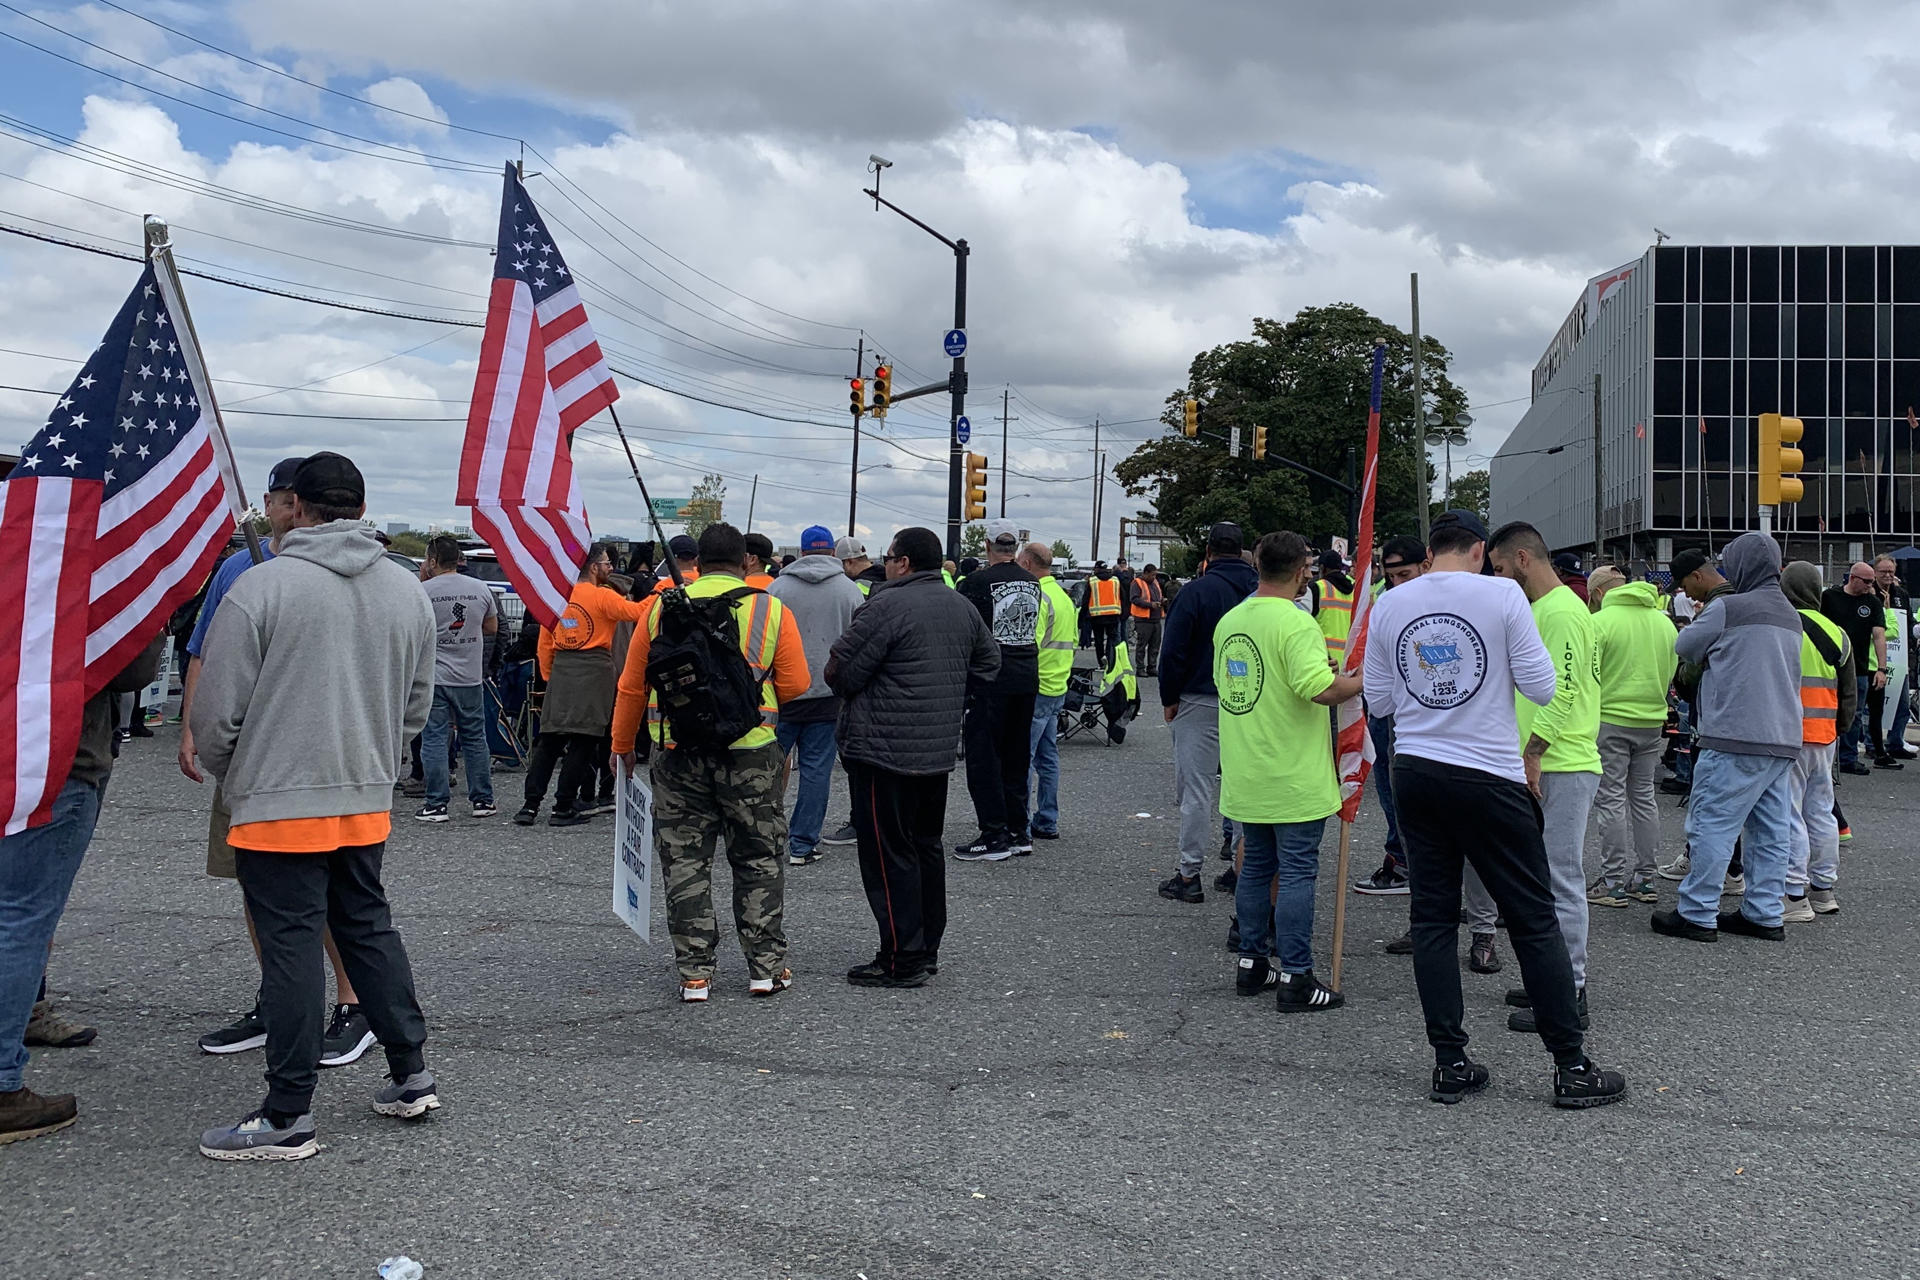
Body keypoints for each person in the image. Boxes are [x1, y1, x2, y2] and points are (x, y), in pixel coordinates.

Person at [192, 452, 440, 1160]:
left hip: (276, 798)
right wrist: (374, 762)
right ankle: (410, 1074)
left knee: (291, 946)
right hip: (363, 795)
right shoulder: (406, 593)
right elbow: (414, 707)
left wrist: (235, 774)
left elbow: (216, 712)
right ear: (362, 509)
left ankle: (287, 1113)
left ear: (295, 506)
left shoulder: (263, 587)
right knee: (366, 926)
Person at [1363, 509, 1625, 1109]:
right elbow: (1542, 686)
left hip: (1417, 769)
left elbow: (1378, 697)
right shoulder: (1504, 595)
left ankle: (1450, 1062)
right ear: (1480, 550)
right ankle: (1570, 1065)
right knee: (1533, 918)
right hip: (1488, 772)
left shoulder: (1391, 604)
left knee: (1432, 918)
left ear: (1432, 553)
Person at [184, 460, 375, 1066]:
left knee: (330, 892)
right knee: (255, 883)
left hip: (317, 755)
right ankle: (279, 1001)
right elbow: (202, 651)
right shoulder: (240, 570)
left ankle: (353, 1003)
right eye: (277, 499)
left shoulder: (347, 573)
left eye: (293, 500)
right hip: (247, 757)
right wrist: (196, 731)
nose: (284, 510)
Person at [612, 524, 809, 1002]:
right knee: (758, 857)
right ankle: (765, 968)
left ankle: (694, 974)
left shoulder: (661, 606)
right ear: (746, 562)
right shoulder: (770, 609)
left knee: (685, 861)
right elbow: (798, 684)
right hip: (751, 754)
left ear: (697, 561)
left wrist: (622, 746)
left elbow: (633, 685)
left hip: (678, 753)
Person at [0, 629, 162, 1144]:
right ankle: (3, 1085)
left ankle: (25, 1015)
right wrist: (159, 610)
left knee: (17, 918)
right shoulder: (73, 574)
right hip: (55, 757)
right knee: (21, 919)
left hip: (29, 749)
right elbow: (134, 669)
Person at [826, 527, 999, 986]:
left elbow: (841, 670)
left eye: (888, 556)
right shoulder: (960, 605)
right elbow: (989, 664)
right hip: (935, 749)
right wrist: (946, 696)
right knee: (925, 847)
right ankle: (925, 947)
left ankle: (901, 957)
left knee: (887, 853)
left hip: (885, 749)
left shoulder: (886, 605)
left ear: (902, 562)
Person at [1218, 533, 1364, 1010]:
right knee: (1299, 871)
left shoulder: (1232, 620)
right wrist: (1362, 680)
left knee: (1257, 867)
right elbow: (1320, 690)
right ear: (1303, 570)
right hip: (1292, 771)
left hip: (1246, 767)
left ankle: (1252, 962)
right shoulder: (1297, 622)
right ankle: (1297, 977)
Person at [1651, 532, 1803, 944]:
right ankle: (1765, 912)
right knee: (1771, 831)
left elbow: (1685, 644)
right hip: (1784, 736)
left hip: (1734, 736)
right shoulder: (1791, 613)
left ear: (1741, 567)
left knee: (1712, 824)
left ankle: (1698, 912)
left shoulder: (1730, 607)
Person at [1487, 522, 1605, 1035]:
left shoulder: (1557, 612)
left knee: (1560, 877)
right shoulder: (1548, 609)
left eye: (1499, 568)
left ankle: (1568, 989)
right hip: (1553, 759)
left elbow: (1563, 688)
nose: (1498, 578)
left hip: (1561, 761)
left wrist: (1533, 752)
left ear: (1522, 558)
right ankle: (1552, 976)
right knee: (1544, 877)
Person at [1155, 523, 1257, 903]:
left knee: (1196, 790)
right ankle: (1244, 866)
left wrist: (1169, 698)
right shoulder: (1258, 593)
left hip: (1198, 698)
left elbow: (1174, 651)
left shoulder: (1195, 592)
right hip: (1249, 701)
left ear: (1209, 552)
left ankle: (1188, 873)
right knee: (1243, 788)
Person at [518, 543, 652, 827]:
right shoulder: (602, 596)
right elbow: (637, 613)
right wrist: (660, 594)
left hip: (562, 669)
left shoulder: (557, 596)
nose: (610, 568)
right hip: (594, 669)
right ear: (594, 567)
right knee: (583, 740)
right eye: (606, 564)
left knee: (550, 740)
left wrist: (549, 674)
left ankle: (529, 806)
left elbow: (544, 641)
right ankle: (563, 806)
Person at [766, 525, 865, 866]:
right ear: (832, 553)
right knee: (816, 771)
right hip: (827, 694)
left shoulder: (776, 588)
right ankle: (803, 844)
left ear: (804, 551)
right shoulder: (849, 592)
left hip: (780, 694)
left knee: (768, 768)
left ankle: (764, 838)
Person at [1585, 563, 1678, 909]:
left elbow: (1588, 675)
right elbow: (1672, 671)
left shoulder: (1598, 623)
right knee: (1643, 798)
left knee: (1610, 799)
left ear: (1597, 593)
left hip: (1609, 719)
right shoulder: (1663, 622)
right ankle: (1645, 878)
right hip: (1651, 721)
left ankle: (1611, 882)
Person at [954, 519, 1043, 860]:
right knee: (1017, 756)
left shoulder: (976, 583)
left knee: (984, 759)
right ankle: (1019, 830)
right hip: (1026, 676)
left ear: (988, 547)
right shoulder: (1033, 583)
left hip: (990, 680)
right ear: (1016, 549)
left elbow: (966, 633)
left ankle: (993, 834)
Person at [1355, 535, 1426, 904]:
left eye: (1406, 574)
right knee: (1390, 789)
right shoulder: (1384, 600)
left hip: (1418, 712)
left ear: (1425, 567)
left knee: (1409, 795)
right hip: (1387, 708)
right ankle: (1401, 858)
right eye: (1392, 574)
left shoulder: (1435, 602)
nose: (1398, 582)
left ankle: (1407, 863)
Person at [1781, 562, 1854, 923]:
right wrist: (1839, 729)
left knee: (1789, 813)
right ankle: (1824, 889)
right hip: (1826, 737)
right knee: (1821, 812)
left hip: (1789, 733)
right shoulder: (1838, 633)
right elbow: (1849, 693)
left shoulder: (1785, 626)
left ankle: (1793, 893)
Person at [415, 536, 499, 823]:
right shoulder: (480, 588)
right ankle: (482, 800)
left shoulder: (422, 591)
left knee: (435, 738)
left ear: (433, 561)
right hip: (470, 676)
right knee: (475, 737)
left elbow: (413, 633)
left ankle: (436, 804)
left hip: (435, 676)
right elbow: (491, 627)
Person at [1020, 541, 1079, 840]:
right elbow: (1074, 641)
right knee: (1048, 757)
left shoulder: (1040, 597)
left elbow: (1031, 644)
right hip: (1058, 684)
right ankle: (1047, 819)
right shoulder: (1065, 598)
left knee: (1024, 758)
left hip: (1038, 685)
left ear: (1028, 564)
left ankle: (1020, 825)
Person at [1820, 561, 1888, 776]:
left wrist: (1881, 668)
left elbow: (1879, 635)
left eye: (1872, 581)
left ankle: (1848, 758)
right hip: (1829, 665)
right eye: (1866, 581)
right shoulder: (1830, 598)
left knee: (1854, 714)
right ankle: (1824, 756)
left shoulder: (1873, 602)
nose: (1870, 585)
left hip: (1857, 667)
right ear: (1852, 578)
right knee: (1825, 712)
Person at [1873, 555, 1915, 758]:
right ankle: (1872, 743)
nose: (1888, 575)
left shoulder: (1902, 594)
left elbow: (1907, 623)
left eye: (1891, 571)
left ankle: (1896, 741)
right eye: (1883, 572)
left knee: (1902, 703)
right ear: (1875, 572)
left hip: (1899, 658)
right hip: (1875, 657)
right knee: (1872, 705)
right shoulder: (1869, 592)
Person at [1312, 551, 1356, 662]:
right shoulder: (1353, 591)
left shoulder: (1318, 587)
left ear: (1322, 568)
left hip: (1323, 658)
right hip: (1347, 659)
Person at [1082, 561, 1125, 666]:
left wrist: (1083, 615)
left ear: (1096, 569)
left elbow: (1086, 599)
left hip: (1097, 616)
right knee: (1112, 638)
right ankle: (1110, 659)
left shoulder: (1092, 581)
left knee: (1098, 640)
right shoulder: (1115, 580)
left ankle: (1101, 662)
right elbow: (1123, 597)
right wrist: (1123, 613)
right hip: (1113, 614)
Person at [1128, 563, 1166, 676]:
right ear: (1145, 573)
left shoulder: (1155, 583)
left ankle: (1152, 667)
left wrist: (1162, 600)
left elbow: (1158, 596)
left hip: (1155, 618)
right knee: (1142, 645)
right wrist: (1150, 605)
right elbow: (1134, 599)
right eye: (1152, 575)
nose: (1154, 577)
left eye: (1155, 575)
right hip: (1143, 619)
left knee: (1155, 645)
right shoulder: (1137, 583)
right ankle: (1140, 668)